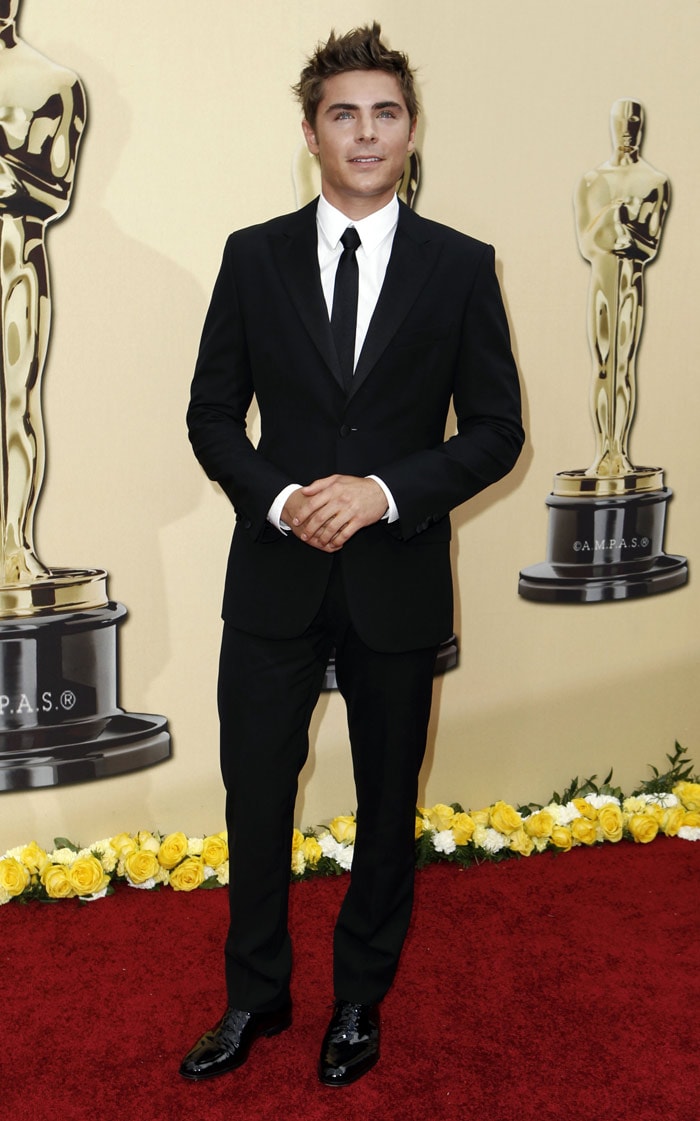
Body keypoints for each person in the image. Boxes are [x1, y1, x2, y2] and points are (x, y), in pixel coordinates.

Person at [182, 23, 523, 1088]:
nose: (365, 132)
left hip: (398, 575)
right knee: (252, 791)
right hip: (274, 575)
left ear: (410, 132)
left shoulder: (461, 266)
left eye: (384, 113)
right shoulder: (252, 255)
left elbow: (495, 429)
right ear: (310, 132)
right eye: (343, 114)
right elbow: (208, 416)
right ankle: (255, 996)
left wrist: (383, 490)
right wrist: (283, 498)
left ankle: (358, 1001)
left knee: (386, 799)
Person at [0, 0, 86, 584]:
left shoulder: (55, 84)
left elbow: (54, 189)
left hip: (14, 261)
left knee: (14, 407)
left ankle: (13, 548)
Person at [574, 99, 669, 478]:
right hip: (602, 277)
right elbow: (587, 242)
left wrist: (623, 226)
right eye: (622, 120)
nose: (628, 126)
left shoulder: (654, 182)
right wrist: (616, 217)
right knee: (603, 364)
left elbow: (648, 245)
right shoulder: (593, 181)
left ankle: (620, 450)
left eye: (634, 119)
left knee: (623, 365)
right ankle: (603, 452)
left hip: (630, 280)